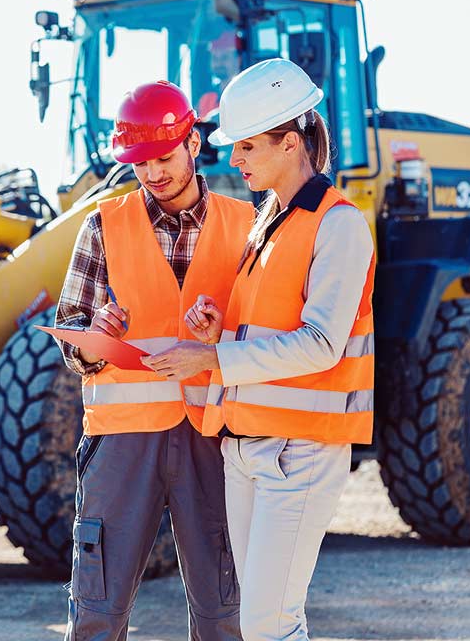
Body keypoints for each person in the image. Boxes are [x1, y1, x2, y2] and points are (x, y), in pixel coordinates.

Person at [142, 58, 376, 641]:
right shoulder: (267, 223)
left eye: (246, 146)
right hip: (246, 445)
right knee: (262, 622)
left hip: (298, 452)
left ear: (290, 142)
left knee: (270, 623)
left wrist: (213, 359)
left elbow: (321, 343)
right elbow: (265, 330)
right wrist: (215, 330)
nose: (234, 159)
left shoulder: (338, 225)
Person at [55, 80, 255, 640]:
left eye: (165, 157)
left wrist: (221, 337)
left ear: (192, 143)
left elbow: (269, 335)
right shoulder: (102, 224)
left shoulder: (248, 227)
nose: (153, 173)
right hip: (122, 440)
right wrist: (92, 336)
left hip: (217, 434)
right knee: (98, 609)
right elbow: (71, 330)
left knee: (225, 611)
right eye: (140, 162)